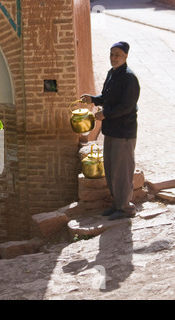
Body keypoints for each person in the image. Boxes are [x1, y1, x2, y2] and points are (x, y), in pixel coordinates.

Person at [81, 41, 140, 220]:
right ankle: (117, 204)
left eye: (117, 54)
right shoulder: (112, 74)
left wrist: (105, 114)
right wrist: (93, 99)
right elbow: (106, 97)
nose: (113, 58)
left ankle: (126, 208)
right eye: (111, 54)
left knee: (123, 171)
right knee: (111, 168)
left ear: (125, 56)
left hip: (124, 131)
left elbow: (126, 106)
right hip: (112, 130)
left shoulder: (129, 78)